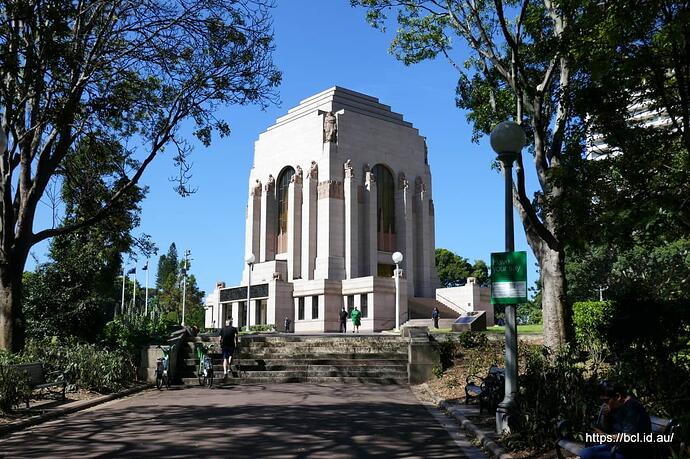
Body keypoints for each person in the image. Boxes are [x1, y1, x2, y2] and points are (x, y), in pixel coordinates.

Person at [579, 381, 652, 459]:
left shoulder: (633, 408)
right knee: (587, 447)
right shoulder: (615, 406)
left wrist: (605, 437)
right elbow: (606, 429)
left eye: (606, 400)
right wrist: (606, 416)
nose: (604, 404)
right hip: (617, 447)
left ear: (618, 396)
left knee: (586, 454)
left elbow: (629, 437)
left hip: (631, 452)